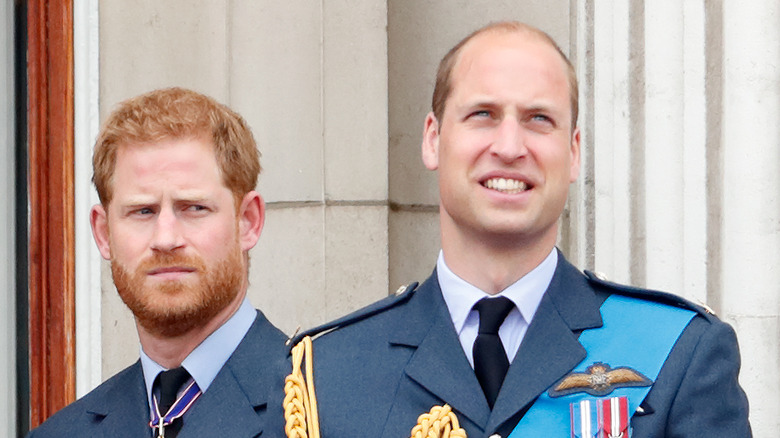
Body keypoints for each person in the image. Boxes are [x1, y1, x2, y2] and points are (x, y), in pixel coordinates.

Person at [289, 22, 751, 437]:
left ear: (572, 153)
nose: (510, 147)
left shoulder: (679, 353)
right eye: (483, 114)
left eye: (538, 119)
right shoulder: (327, 375)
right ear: (433, 139)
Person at [29, 87, 289, 438]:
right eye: (143, 211)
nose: (166, 239)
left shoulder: (326, 409)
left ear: (248, 222)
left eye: (194, 207)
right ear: (104, 233)